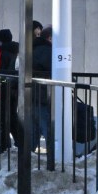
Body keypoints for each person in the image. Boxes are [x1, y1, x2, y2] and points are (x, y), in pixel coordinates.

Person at [33, 23, 54, 152]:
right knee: (48, 126)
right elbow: (54, 70)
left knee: (34, 128)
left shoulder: (34, 49)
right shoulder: (48, 51)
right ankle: (54, 156)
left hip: (32, 94)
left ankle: (26, 157)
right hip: (44, 94)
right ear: (50, 38)